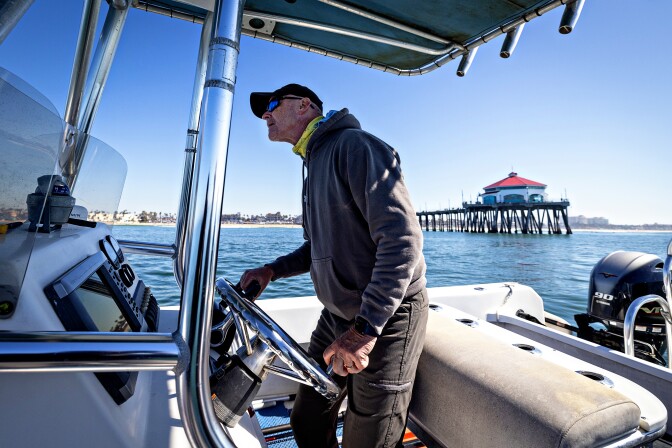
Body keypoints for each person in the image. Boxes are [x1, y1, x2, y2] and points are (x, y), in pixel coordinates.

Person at [240, 83, 428, 448]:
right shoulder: (312, 163)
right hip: (336, 316)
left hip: (385, 319)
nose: (265, 115)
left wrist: (364, 329)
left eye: (272, 105)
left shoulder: (355, 146)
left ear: (304, 106)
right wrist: (272, 270)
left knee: (368, 440)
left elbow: (402, 241)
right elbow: (318, 247)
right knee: (307, 416)